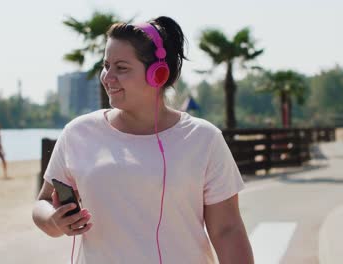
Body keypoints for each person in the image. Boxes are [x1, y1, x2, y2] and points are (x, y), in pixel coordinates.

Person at [32, 16, 254, 264]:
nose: (107, 77)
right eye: (106, 65)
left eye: (121, 68)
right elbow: (42, 202)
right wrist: (54, 220)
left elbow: (227, 230)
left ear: (157, 74)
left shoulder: (204, 139)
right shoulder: (78, 133)